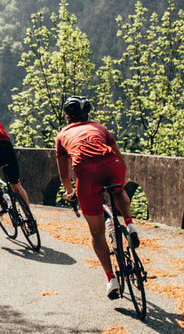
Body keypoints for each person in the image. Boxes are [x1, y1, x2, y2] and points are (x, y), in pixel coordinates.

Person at [54, 95, 139, 299]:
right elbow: (119, 157)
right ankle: (129, 224)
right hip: (112, 166)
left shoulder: (62, 135)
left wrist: (70, 192)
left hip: (86, 173)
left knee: (97, 232)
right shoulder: (100, 127)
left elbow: (65, 175)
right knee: (118, 191)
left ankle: (111, 280)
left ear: (67, 117)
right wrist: (121, 181)